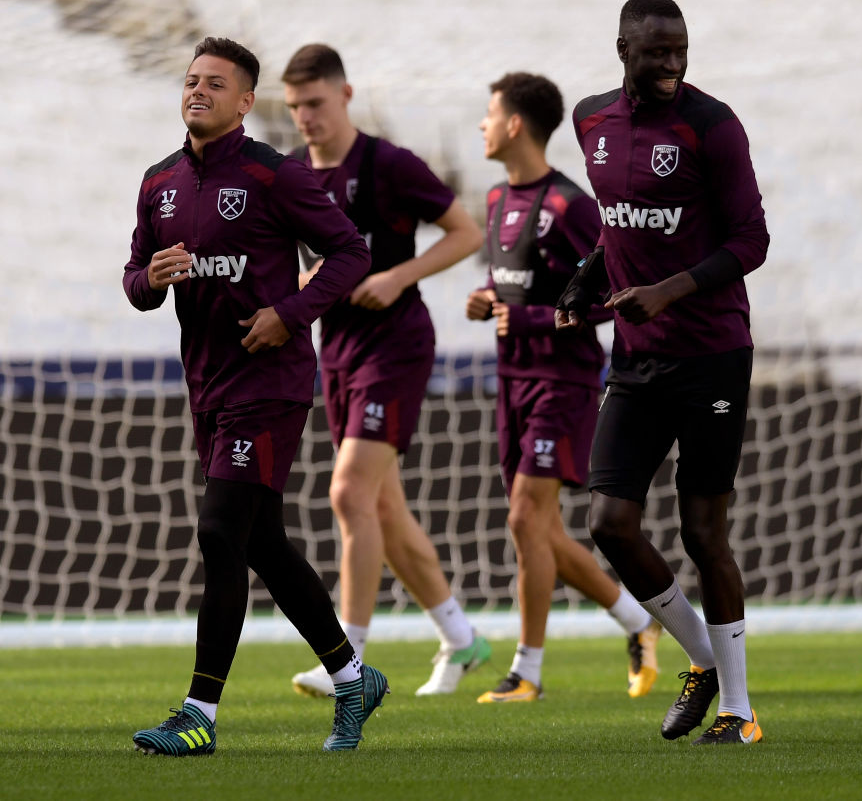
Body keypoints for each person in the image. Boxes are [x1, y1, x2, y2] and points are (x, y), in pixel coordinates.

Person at [123, 37, 387, 755]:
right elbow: (134, 279)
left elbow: (351, 253)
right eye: (190, 81)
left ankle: (199, 712)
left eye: (215, 83)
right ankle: (353, 675)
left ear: (245, 102)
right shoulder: (159, 183)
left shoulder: (275, 175)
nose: (197, 91)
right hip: (206, 386)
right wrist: (153, 277)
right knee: (262, 540)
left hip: (268, 386)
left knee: (219, 533)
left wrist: (289, 315)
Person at [556, 0, 770, 744]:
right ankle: (704, 659)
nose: (673, 63)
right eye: (656, 51)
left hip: (712, 353)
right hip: (638, 358)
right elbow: (620, 227)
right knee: (609, 522)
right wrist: (588, 285)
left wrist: (666, 293)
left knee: (703, 531)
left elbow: (751, 241)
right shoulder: (591, 120)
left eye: (680, 48)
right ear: (623, 50)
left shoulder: (712, 126)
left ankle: (739, 714)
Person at [280, 44, 490, 697]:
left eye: (315, 103)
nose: (305, 118)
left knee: (348, 494)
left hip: (395, 345)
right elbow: (290, 271)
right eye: (294, 108)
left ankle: (349, 659)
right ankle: (461, 638)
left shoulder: (389, 164)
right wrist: (307, 282)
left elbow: (465, 232)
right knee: (385, 511)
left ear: (344, 96)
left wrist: (399, 276)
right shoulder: (290, 175)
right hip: (336, 349)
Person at [465, 73, 662, 704]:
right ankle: (638, 621)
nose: (482, 125)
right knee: (537, 530)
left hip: (564, 381)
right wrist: (489, 301)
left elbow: (609, 297)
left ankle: (527, 672)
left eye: (490, 114)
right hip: (512, 382)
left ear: (515, 124)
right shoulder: (496, 200)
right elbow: (521, 289)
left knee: (525, 517)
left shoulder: (570, 207)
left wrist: (522, 317)